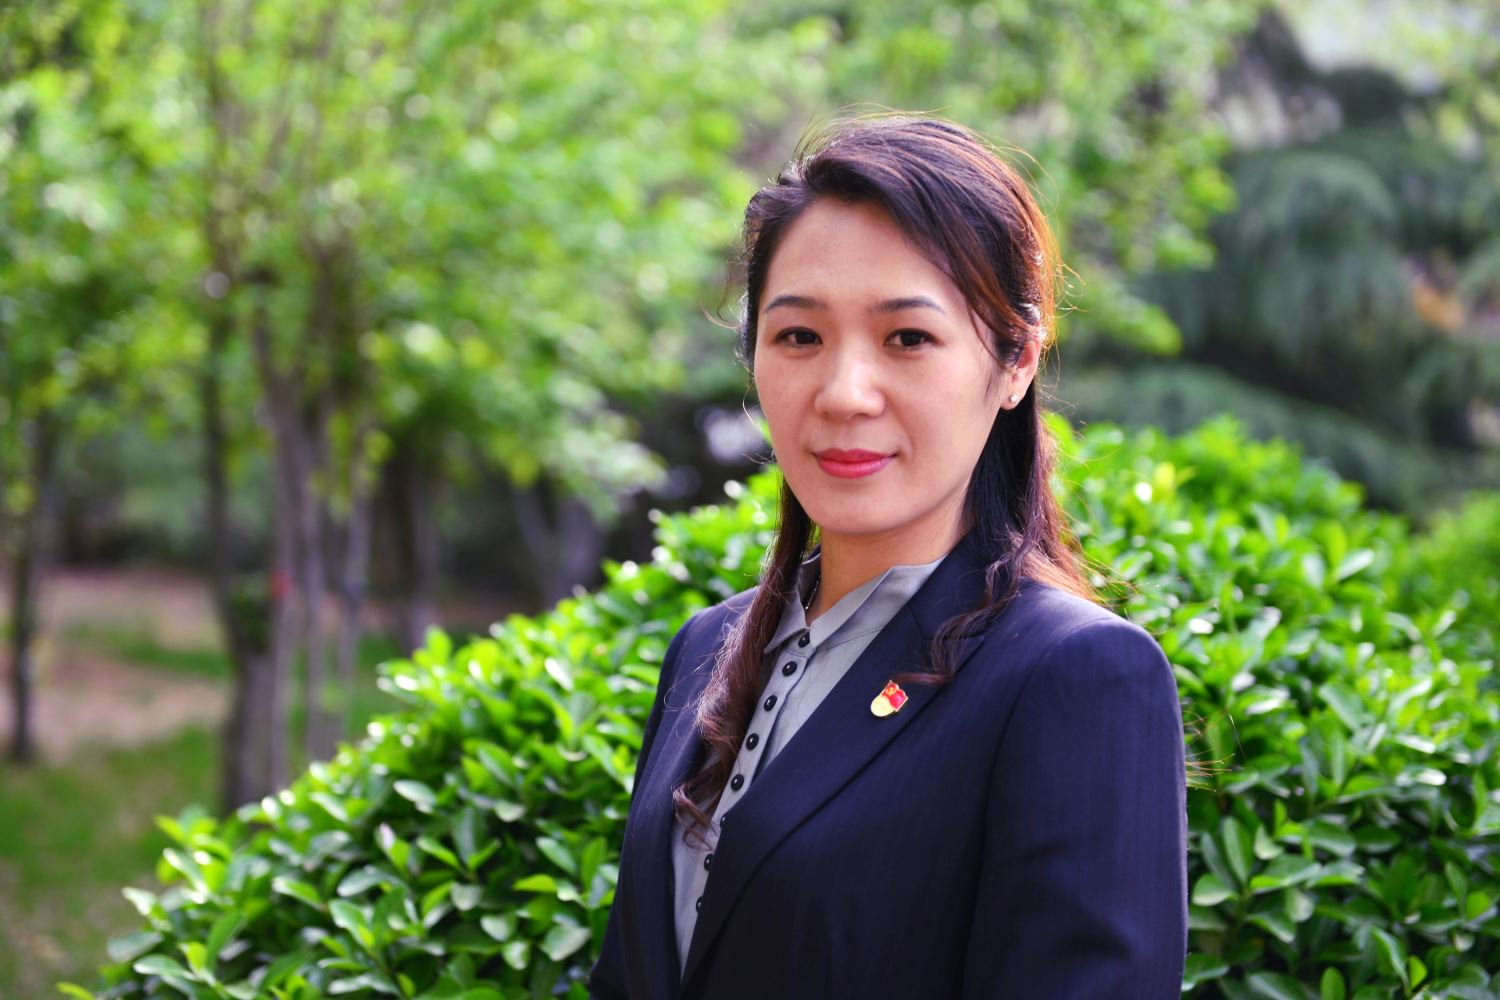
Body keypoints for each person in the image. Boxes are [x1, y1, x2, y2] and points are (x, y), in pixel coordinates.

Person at [588, 113, 1187, 1000]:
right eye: (799, 336)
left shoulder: (1072, 675)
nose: (843, 394)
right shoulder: (706, 649)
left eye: (907, 338)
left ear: (1016, 361)